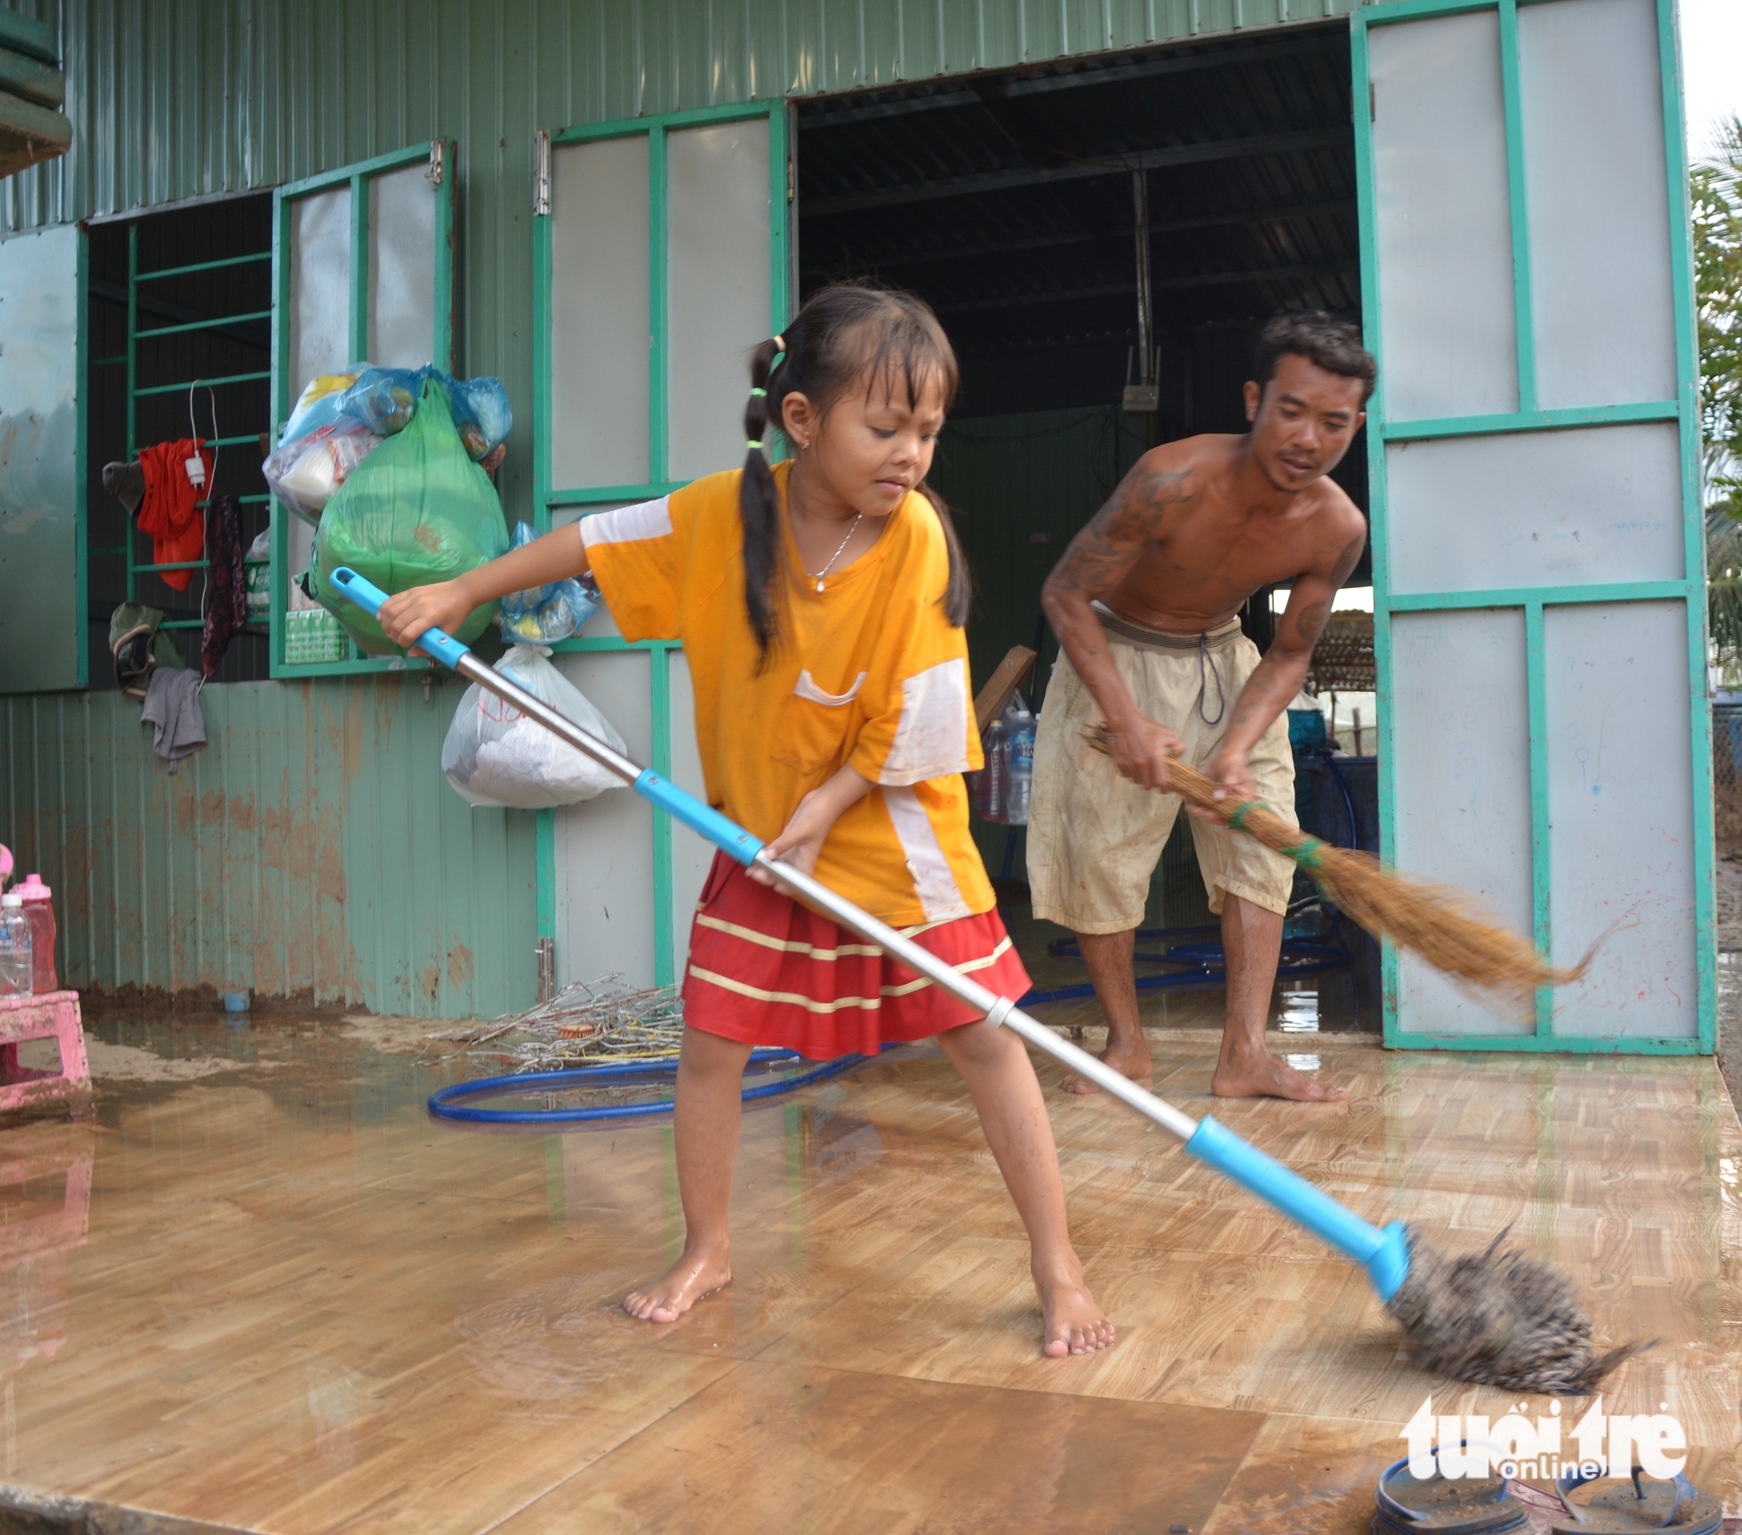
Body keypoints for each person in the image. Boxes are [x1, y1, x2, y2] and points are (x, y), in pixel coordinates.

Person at [378, 282, 1113, 1357]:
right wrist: (459, 591)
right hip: (760, 835)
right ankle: (706, 1245)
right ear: (801, 420)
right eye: (884, 425)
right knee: (713, 1043)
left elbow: (910, 716)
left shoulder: (913, 540)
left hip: (890, 826)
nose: (910, 453)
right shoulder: (719, 514)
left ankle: (1058, 1268)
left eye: (927, 431)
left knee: (983, 1037)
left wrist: (821, 809)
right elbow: (589, 540)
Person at [1030, 311, 1374, 1104]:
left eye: (1333, 422)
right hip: (1111, 654)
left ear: (1355, 425)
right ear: (1255, 399)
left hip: (1228, 667)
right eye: (1292, 410)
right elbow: (1066, 593)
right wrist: (1122, 716)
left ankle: (1245, 1054)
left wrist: (1233, 749)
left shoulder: (1336, 528)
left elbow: (1290, 651)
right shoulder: (1170, 478)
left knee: (1264, 846)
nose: (1307, 439)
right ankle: (1127, 1048)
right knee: (1102, 858)